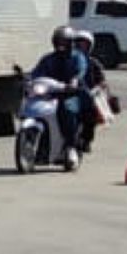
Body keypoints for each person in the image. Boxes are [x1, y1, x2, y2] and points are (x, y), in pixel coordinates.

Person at [32, 25, 89, 163]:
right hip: (51, 93)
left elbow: (81, 70)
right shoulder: (48, 58)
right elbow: (37, 72)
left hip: (71, 94)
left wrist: (75, 80)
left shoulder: (77, 57)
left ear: (70, 43)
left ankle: (70, 147)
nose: (61, 45)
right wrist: (27, 78)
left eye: (64, 41)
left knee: (66, 111)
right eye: (59, 41)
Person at [74, 31, 112, 154]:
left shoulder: (93, 63)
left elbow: (102, 80)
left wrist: (99, 86)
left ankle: (86, 140)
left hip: (88, 94)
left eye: (84, 44)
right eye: (78, 43)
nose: (80, 46)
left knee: (90, 114)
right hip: (70, 92)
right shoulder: (69, 60)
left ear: (90, 46)